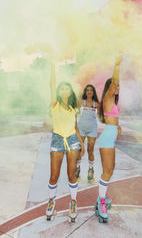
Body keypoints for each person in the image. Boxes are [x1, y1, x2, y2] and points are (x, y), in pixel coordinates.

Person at [45, 63, 85, 223]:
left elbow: (75, 127)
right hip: (57, 139)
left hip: (72, 141)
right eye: (61, 88)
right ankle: (51, 203)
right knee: (54, 176)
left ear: (70, 91)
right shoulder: (54, 105)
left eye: (66, 88)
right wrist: (53, 64)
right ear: (58, 92)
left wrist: (81, 143)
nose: (64, 90)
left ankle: (73, 202)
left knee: (71, 174)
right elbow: (52, 84)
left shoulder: (74, 108)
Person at [95, 56, 122, 223]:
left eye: (118, 86)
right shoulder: (108, 97)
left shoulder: (111, 101)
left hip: (110, 137)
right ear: (110, 87)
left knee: (111, 169)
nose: (117, 87)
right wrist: (117, 64)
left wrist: (117, 127)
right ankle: (101, 202)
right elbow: (114, 82)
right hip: (106, 139)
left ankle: (102, 198)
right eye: (115, 85)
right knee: (107, 171)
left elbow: (112, 120)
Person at [76, 84, 100, 183]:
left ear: (93, 92)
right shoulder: (81, 102)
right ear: (85, 92)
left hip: (92, 129)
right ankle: (77, 168)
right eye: (87, 90)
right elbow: (73, 111)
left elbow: (104, 115)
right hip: (81, 128)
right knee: (79, 150)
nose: (89, 92)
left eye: (91, 90)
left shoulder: (97, 104)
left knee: (90, 150)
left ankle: (91, 170)